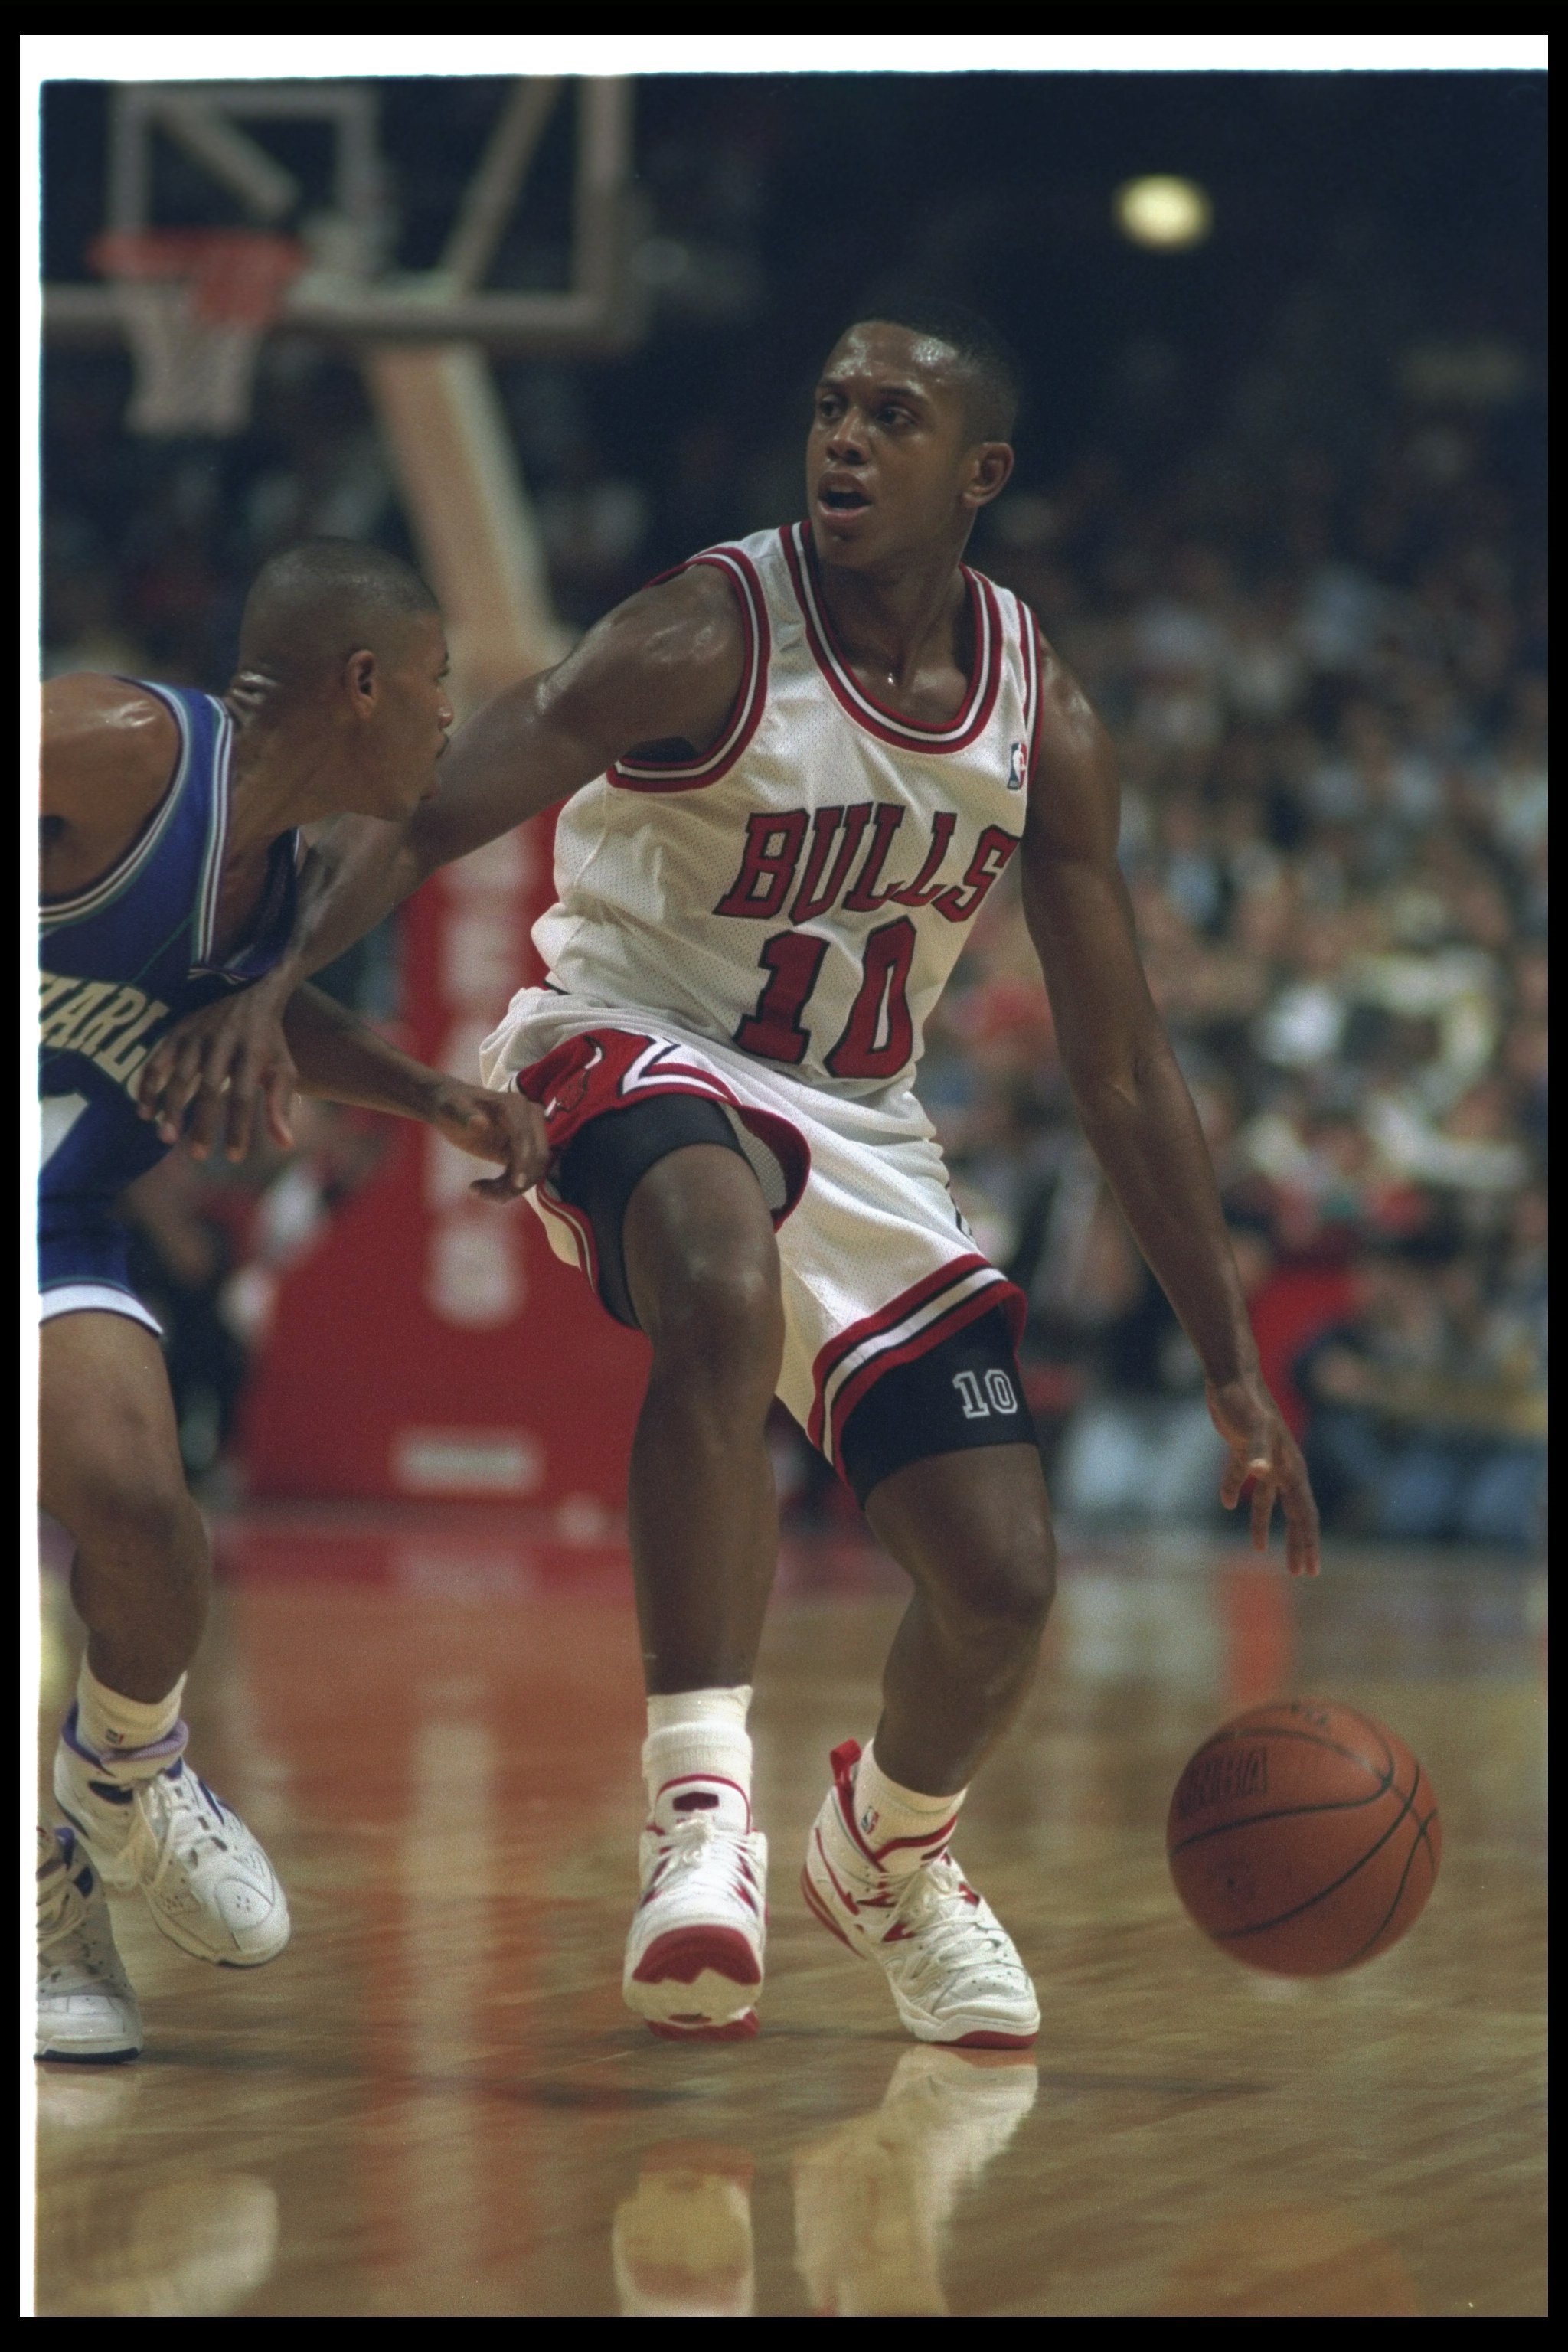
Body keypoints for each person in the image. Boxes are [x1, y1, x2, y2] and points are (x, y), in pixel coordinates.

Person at [140, 313, 1319, 2049]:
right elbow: (434, 807)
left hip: (861, 1122)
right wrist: (271, 982)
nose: (846, 437)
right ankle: (701, 1811)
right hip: (624, 1037)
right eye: (833, 406)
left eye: (895, 416)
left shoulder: (1041, 717)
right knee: (714, 1269)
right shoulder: (709, 630)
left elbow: (1123, 1064)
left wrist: (1228, 1361)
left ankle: (888, 1858)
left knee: (1002, 1580)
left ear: (980, 473)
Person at [38, 540, 548, 2063]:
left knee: (145, 1513)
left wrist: (429, 1096)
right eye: (438, 685)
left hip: (55, 1216)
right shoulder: (121, 750)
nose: (449, 717)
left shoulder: (286, 889)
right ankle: (56, 1885)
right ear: (363, 684)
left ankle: (116, 1785)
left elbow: (270, 1013)